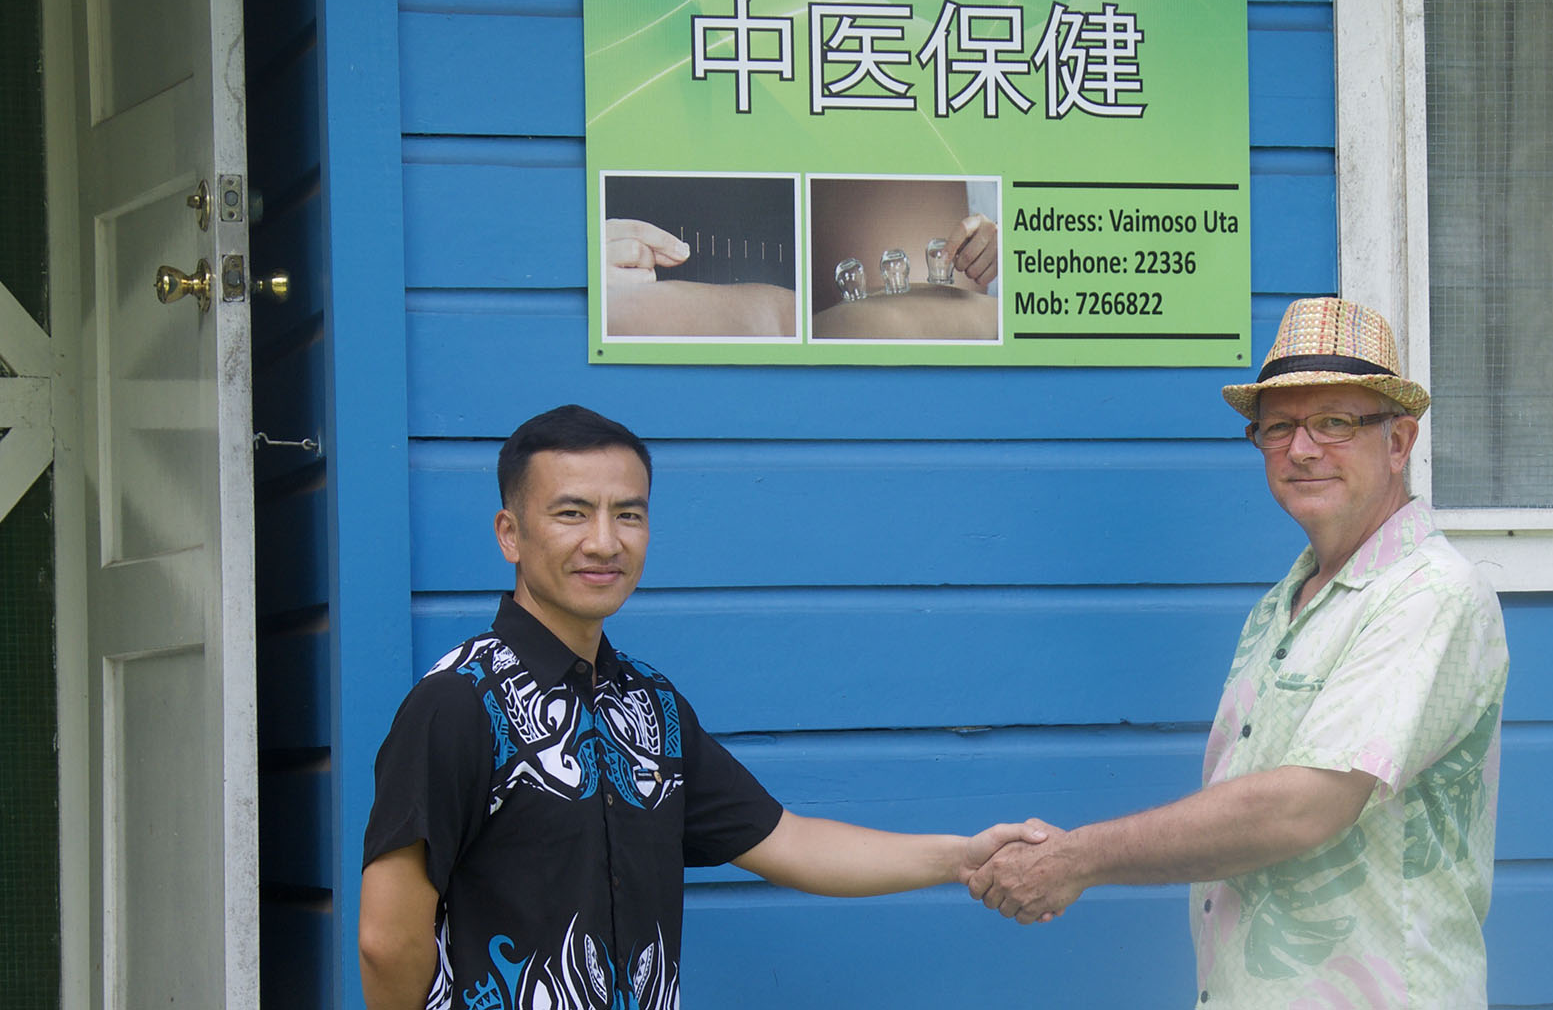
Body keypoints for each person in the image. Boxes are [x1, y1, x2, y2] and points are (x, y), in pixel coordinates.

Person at [358, 405, 1042, 1010]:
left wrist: (962, 854)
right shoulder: (458, 702)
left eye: (629, 513)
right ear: (511, 533)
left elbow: (791, 841)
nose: (604, 541)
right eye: (571, 512)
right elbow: (387, 942)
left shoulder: (649, 707)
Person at [966, 297, 1509, 1007]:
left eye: (1336, 422)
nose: (1302, 448)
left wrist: (1078, 858)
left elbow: (1303, 806)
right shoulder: (1285, 603)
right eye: (1279, 426)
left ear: (1400, 441)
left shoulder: (1430, 593)